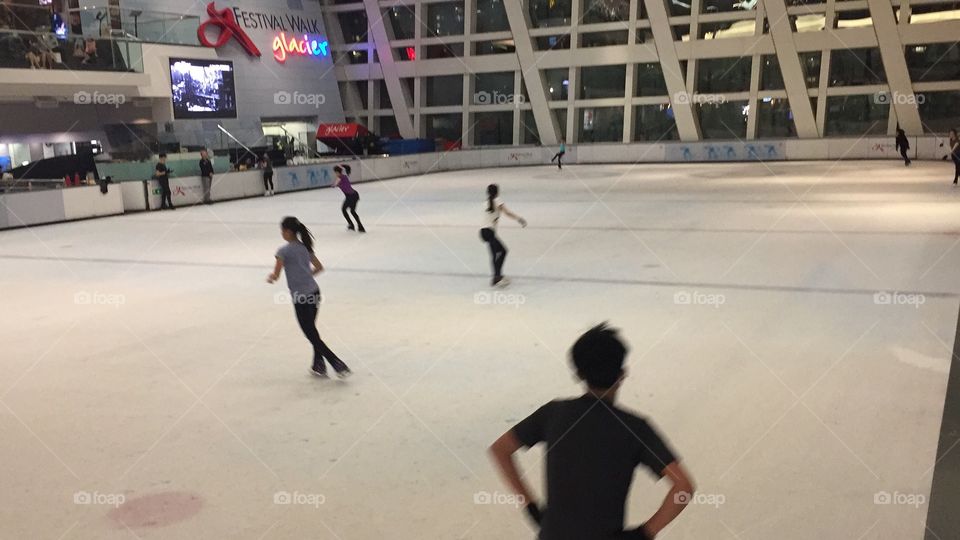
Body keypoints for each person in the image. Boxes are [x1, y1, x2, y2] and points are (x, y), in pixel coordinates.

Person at [489, 323, 695, 540]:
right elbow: (683, 488)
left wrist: (531, 507)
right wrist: (645, 533)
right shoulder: (635, 428)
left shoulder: (553, 414)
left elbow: (500, 449)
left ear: (578, 374)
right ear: (622, 374)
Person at [267, 217, 352, 379]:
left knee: (310, 333)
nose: (281, 233)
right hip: (314, 292)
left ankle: (335, 362)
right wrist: (307, 276)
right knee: (312, 330)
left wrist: (271, 277)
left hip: (300, 297)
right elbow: (319, 267)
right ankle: (318, 364)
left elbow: (276, 275)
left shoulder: (282, 252)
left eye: (282, 230)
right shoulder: (305, 247)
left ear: (288, 232)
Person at [480, 184, 526, 287]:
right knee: (502, 251)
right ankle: (497, 276)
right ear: (497, 192)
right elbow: (507, 213)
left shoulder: (486, 202)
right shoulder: (497, 200)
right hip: (489, 231)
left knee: (496, 253)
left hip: (483, 231)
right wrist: (519, 219)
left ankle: (496, 277)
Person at [333, 164, 364, 233]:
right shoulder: (344, 176)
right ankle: (360, 226)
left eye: (335, 172)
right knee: (352, 211)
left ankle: (352, 225)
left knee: (344, 209)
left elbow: (335, 184)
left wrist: (334, 184)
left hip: (351, 196)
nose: (335, 174)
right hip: (354, 195)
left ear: (337, 172)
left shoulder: (341, 177)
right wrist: (341, 166)